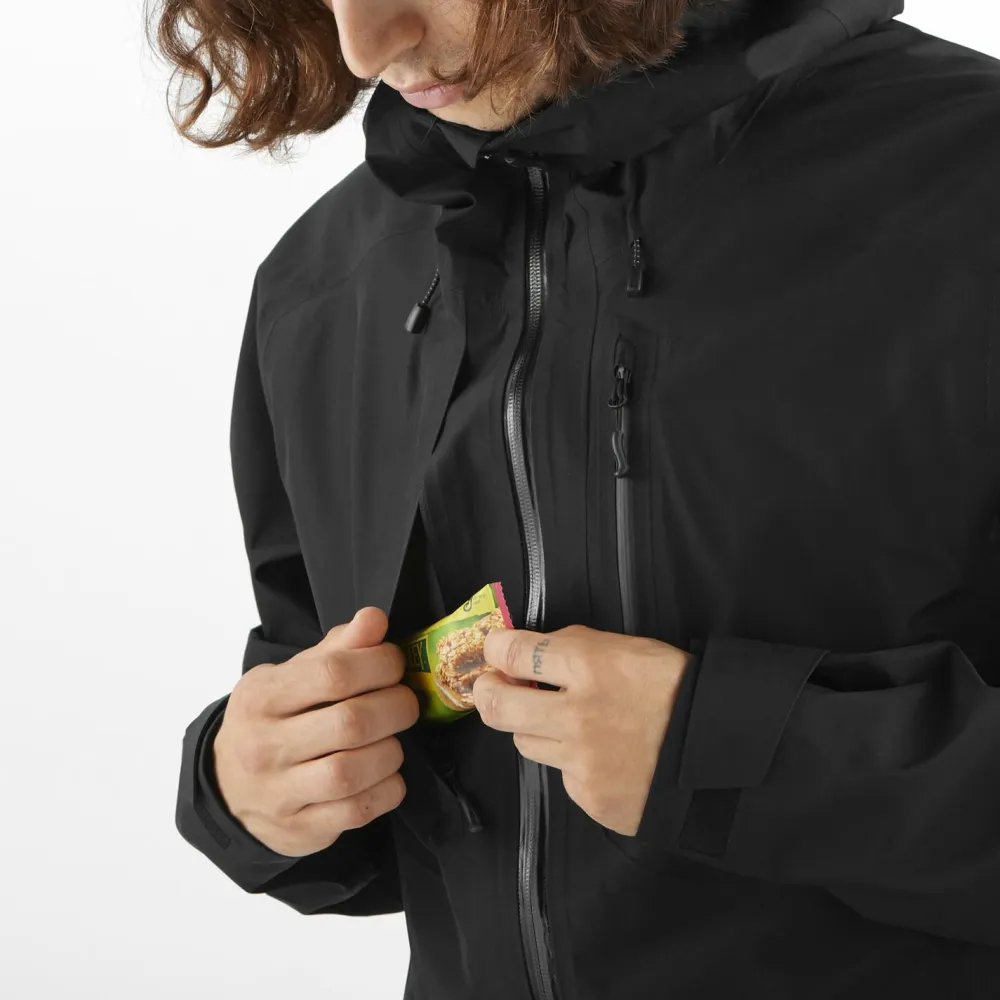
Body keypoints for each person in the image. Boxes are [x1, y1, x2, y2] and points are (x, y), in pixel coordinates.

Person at [159, 0, 1000, 996]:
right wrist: (248, 787)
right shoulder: (325, 282)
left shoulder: (968, 181)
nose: (362, 46)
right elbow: (363, 738)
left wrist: (739, 757)